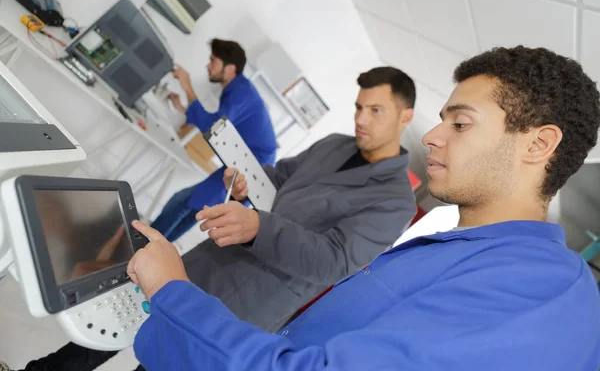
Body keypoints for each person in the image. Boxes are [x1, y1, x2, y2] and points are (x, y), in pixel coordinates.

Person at [128, 46, 600, 370]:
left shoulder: (540, 284)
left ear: (539, 143)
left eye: (460, 123)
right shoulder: (458, 248)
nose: (435, 137)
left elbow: (331, 267)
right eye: (443, 120)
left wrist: (172, 291)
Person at [15, 66, 418, 371]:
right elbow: (279, 179)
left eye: (376, 110)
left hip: (246, 299)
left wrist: (261, 226)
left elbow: (333, 261)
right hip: (209, 259)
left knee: (158, 362)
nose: (362, 119)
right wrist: (246, 183)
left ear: (405, 117)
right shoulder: (334, 145)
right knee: (112, 326)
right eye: (359, 107)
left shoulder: (394, 201)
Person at [152, 38, 277, 241]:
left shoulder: (241, 92)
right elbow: (219, 125)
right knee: (191, 207)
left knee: (183, 202)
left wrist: (188, 86)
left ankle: (141, 247)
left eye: (213, 61)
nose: (208, 66)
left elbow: (214, 128)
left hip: (251, 167)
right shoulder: (237, 89)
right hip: (244, 162)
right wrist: (184, 108)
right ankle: (148, 248)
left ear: (229, 68)